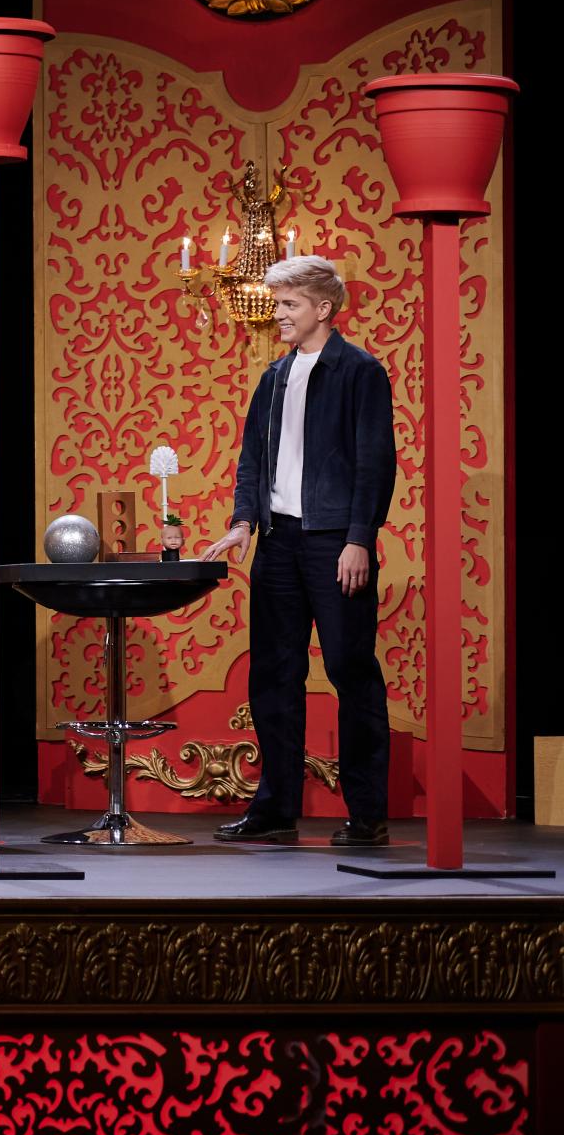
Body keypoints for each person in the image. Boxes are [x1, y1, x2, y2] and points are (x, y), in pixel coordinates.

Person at [199, 256, 396, 846]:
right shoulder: (274, 376)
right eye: (278, 303)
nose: (278, 314)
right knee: (274, 675)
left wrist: (359, 538)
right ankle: (276, 807)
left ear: (323, 309)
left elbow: (374, 462)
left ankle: (366, 813)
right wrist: (242, 522)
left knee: (350, 670)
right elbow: (253, 459)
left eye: (288, 305)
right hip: (279, 544)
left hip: (336, 541)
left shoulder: (360, 371)